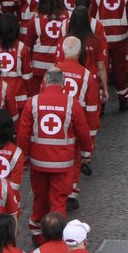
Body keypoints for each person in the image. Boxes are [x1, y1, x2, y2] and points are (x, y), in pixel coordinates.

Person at [16, 70, 93, 240]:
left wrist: (24, 158)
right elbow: (83, 132)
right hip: (63, 163)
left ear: (45, 81)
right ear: (63, 83)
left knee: (40, 198)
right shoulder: (72, 104)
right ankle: (57, 237)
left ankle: (37, 233)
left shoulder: (33, 103)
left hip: (38, 161)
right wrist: (86, 154)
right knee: (58, 201)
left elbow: (23, 134)